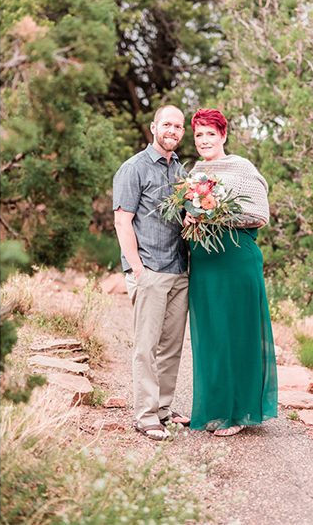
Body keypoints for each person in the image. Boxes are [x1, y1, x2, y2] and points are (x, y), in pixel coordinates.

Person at [185, 108, 277, 436]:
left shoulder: (242, 168)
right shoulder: (195, 171)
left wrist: (216, 216)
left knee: (237, 333)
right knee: (210, 334)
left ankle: (238, 413)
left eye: (211, 133)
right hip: (206, 265)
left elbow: (259, 214)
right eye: (199, 135)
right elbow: (192, 211)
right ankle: (213, 407)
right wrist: (190, 218)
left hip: (236, 261)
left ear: (223, 135)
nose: (205, 140)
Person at [112, 105, 192, 441]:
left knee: (172, 346)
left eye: (178, 126)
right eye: (167, 125)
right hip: (151, 270)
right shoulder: (134, 168)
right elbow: (122, 220)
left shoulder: (182, 172)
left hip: (179, 269)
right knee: (146, 347)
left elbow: (183, 215)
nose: (172, 131)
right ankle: (145, 416)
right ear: (153, 127)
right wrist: (138, 270)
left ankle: (163, 408)